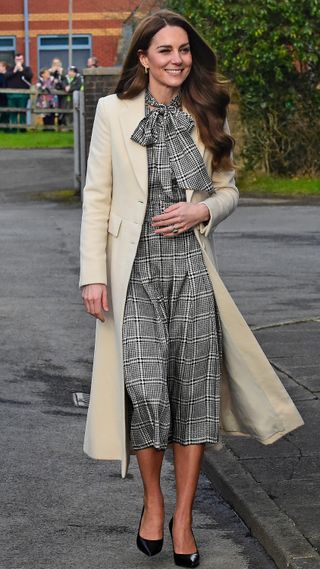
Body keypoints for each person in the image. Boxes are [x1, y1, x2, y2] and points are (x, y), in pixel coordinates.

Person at [79, 9, 303, 568]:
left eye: (183, 50)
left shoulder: (207, 109)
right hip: (135, 277)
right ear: (143, 57)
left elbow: (228, 189)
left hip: (193, 273)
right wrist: (93, 275)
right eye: (165, 51)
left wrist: (204, 207)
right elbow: (96, 199)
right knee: (149, 395)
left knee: (194, 398)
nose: (177, 59)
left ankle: (182, 518)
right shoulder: (113, 111)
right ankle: (152, 501)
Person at [5, 53, 33, 131]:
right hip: (11, 95)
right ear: (15, 60)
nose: (18, 61)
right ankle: (13, 128)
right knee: (13, 112)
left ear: (23, 60)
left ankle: (22, 129)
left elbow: (30, 76)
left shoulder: (27, 68)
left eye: (20, 59)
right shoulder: (10, 69)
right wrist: (14, 71)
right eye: (17, 59)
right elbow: (6, 76)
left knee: (22, 112)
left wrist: (21, 70)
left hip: (23, 95)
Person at [49, 58, 66, 125]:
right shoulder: (50, 71)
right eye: (54, 63)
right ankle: (51, 125)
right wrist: (52, 72)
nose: (56, 65)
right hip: (51, 93)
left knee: (61, 108)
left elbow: (65, 80)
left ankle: (60, 124)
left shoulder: (62, 71)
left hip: (61, 93)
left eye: (57, 63)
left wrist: (61, 73)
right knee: (51, 108)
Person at [0, 60, 9, 130]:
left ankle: (6, 128)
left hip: (7, 97)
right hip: (0, 97)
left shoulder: (8, 75)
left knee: (6, 112)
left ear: (4, 67)